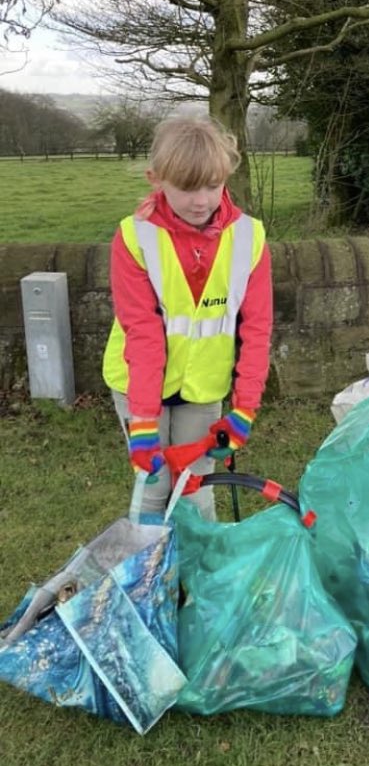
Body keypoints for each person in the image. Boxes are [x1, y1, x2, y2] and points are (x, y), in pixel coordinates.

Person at [102, 115, 273, 520]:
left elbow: (257, 328)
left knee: (195, 489)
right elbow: (142, 333)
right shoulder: (133, 238)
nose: (202, 200)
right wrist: (143, 420)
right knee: (154, 486)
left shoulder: (250, 237)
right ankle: (149, 580)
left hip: (203, 386)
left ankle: (199, 581)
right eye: (187, 187)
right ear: (156, 178)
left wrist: (245, 407)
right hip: (138, 384)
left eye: (214, 185)